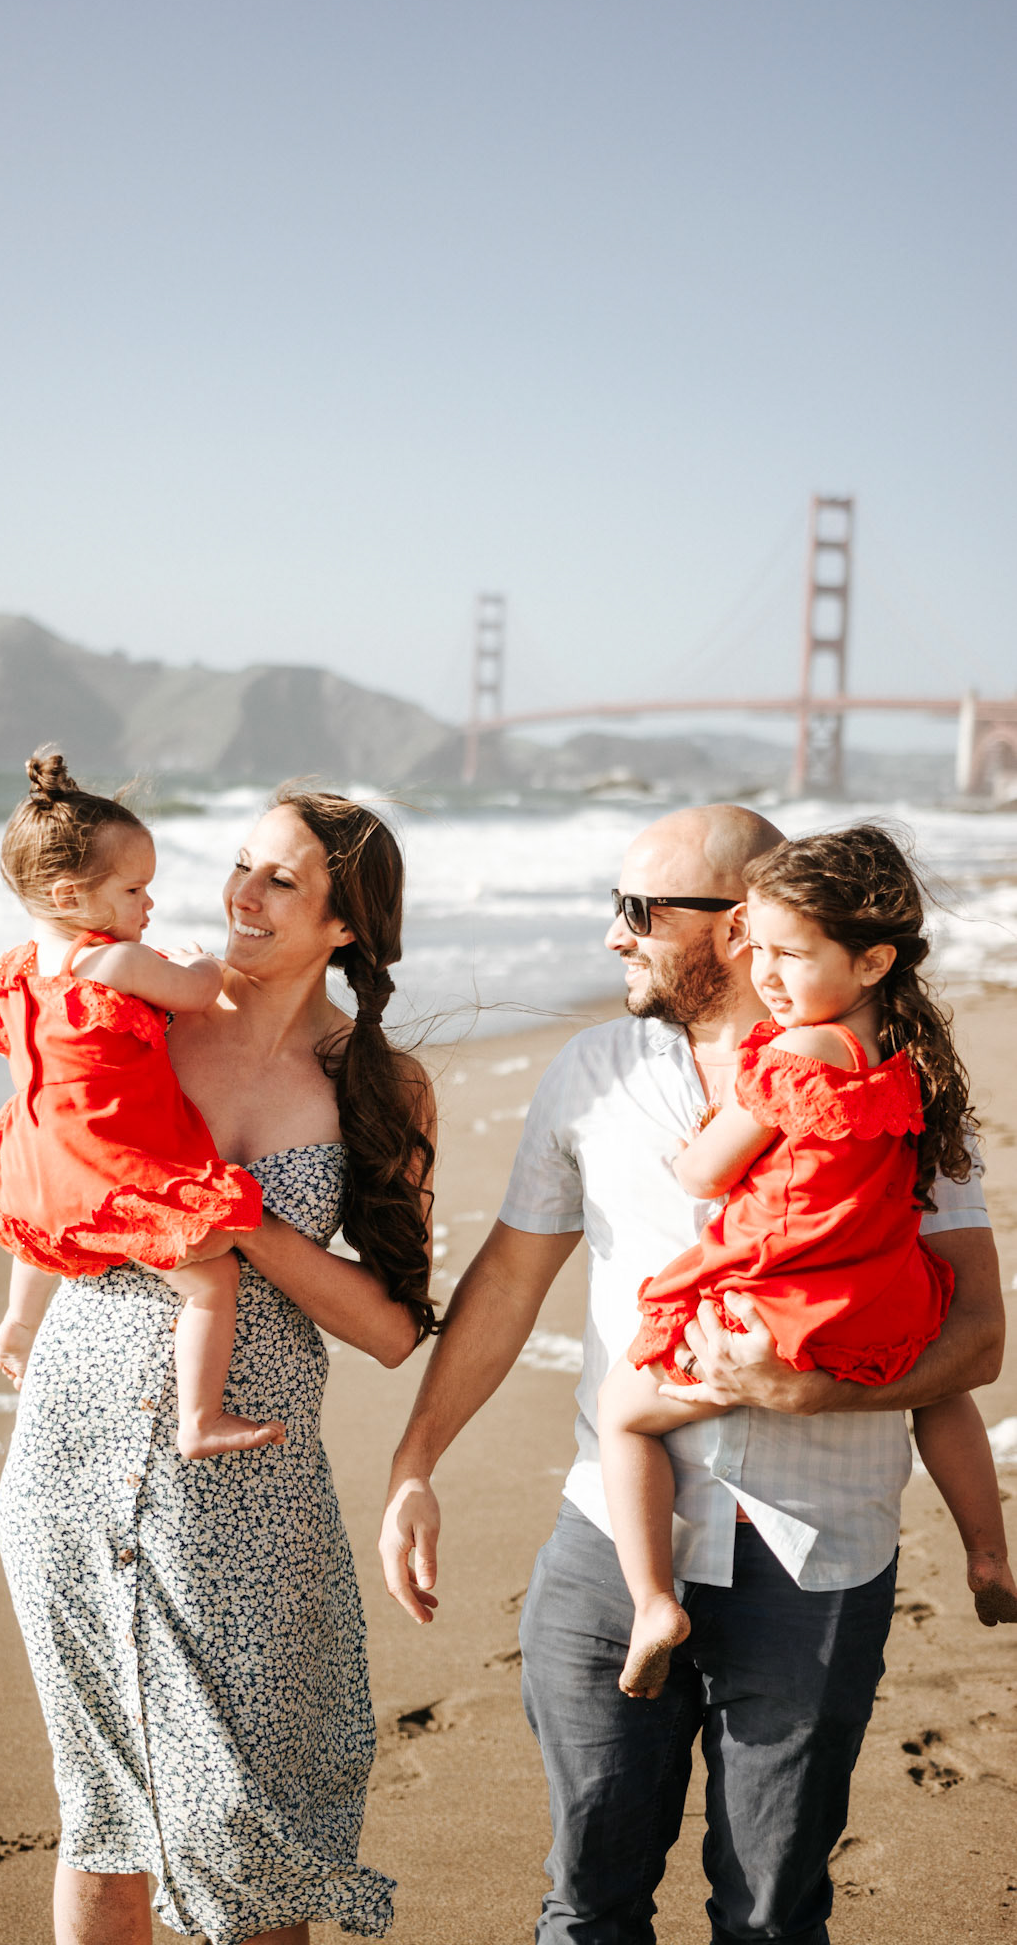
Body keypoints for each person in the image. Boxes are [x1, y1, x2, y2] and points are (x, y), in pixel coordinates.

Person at [379, 804, 1005, 1945]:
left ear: (737, 925)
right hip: (609, 1549)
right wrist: (415, 1462)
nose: (612, 934)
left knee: (770, 1917)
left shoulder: (907, 1087)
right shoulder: (593, 1071)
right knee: (587, 1903)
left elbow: (976, 1338)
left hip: (817, 1551)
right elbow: (509, 1279)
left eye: (639, 909)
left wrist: (817, 1392)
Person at [0, 783, 436, 1945]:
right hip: (74, 1449)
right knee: (104, 1814)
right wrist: (21, 1310)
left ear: (347, 923)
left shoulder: (378, 1082)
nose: (242, 892)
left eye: (281, 878)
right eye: (241, 862)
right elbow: (39, 1175)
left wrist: (246, 1224)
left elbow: (394, 1328)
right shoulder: (133, 1011)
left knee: (255, 1830)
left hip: (251, 1486)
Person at [599, 824, 1016, 1699]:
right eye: (757, 949)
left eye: (789, 954)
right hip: (882, 1294)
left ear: (872, 961)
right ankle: (986, 1551)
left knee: (623, 1414)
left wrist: (695, 1146)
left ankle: (651, 1603)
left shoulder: (796, 1054)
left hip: (780, 1303)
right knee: (939, 1392)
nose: (766, 975)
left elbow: (703, 1172)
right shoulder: (909, 1067)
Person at [0, 748, 284, 1460]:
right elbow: (196, 993)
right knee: (212, 1280)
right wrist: (202, 960)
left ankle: (18, 1322)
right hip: (106, 1153)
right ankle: (199, 1418)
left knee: (45, 1222)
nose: (149, 906)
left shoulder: (17, 970)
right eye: (135, 890)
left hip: (37, 1147)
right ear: (69, 897)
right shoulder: (112, 962)